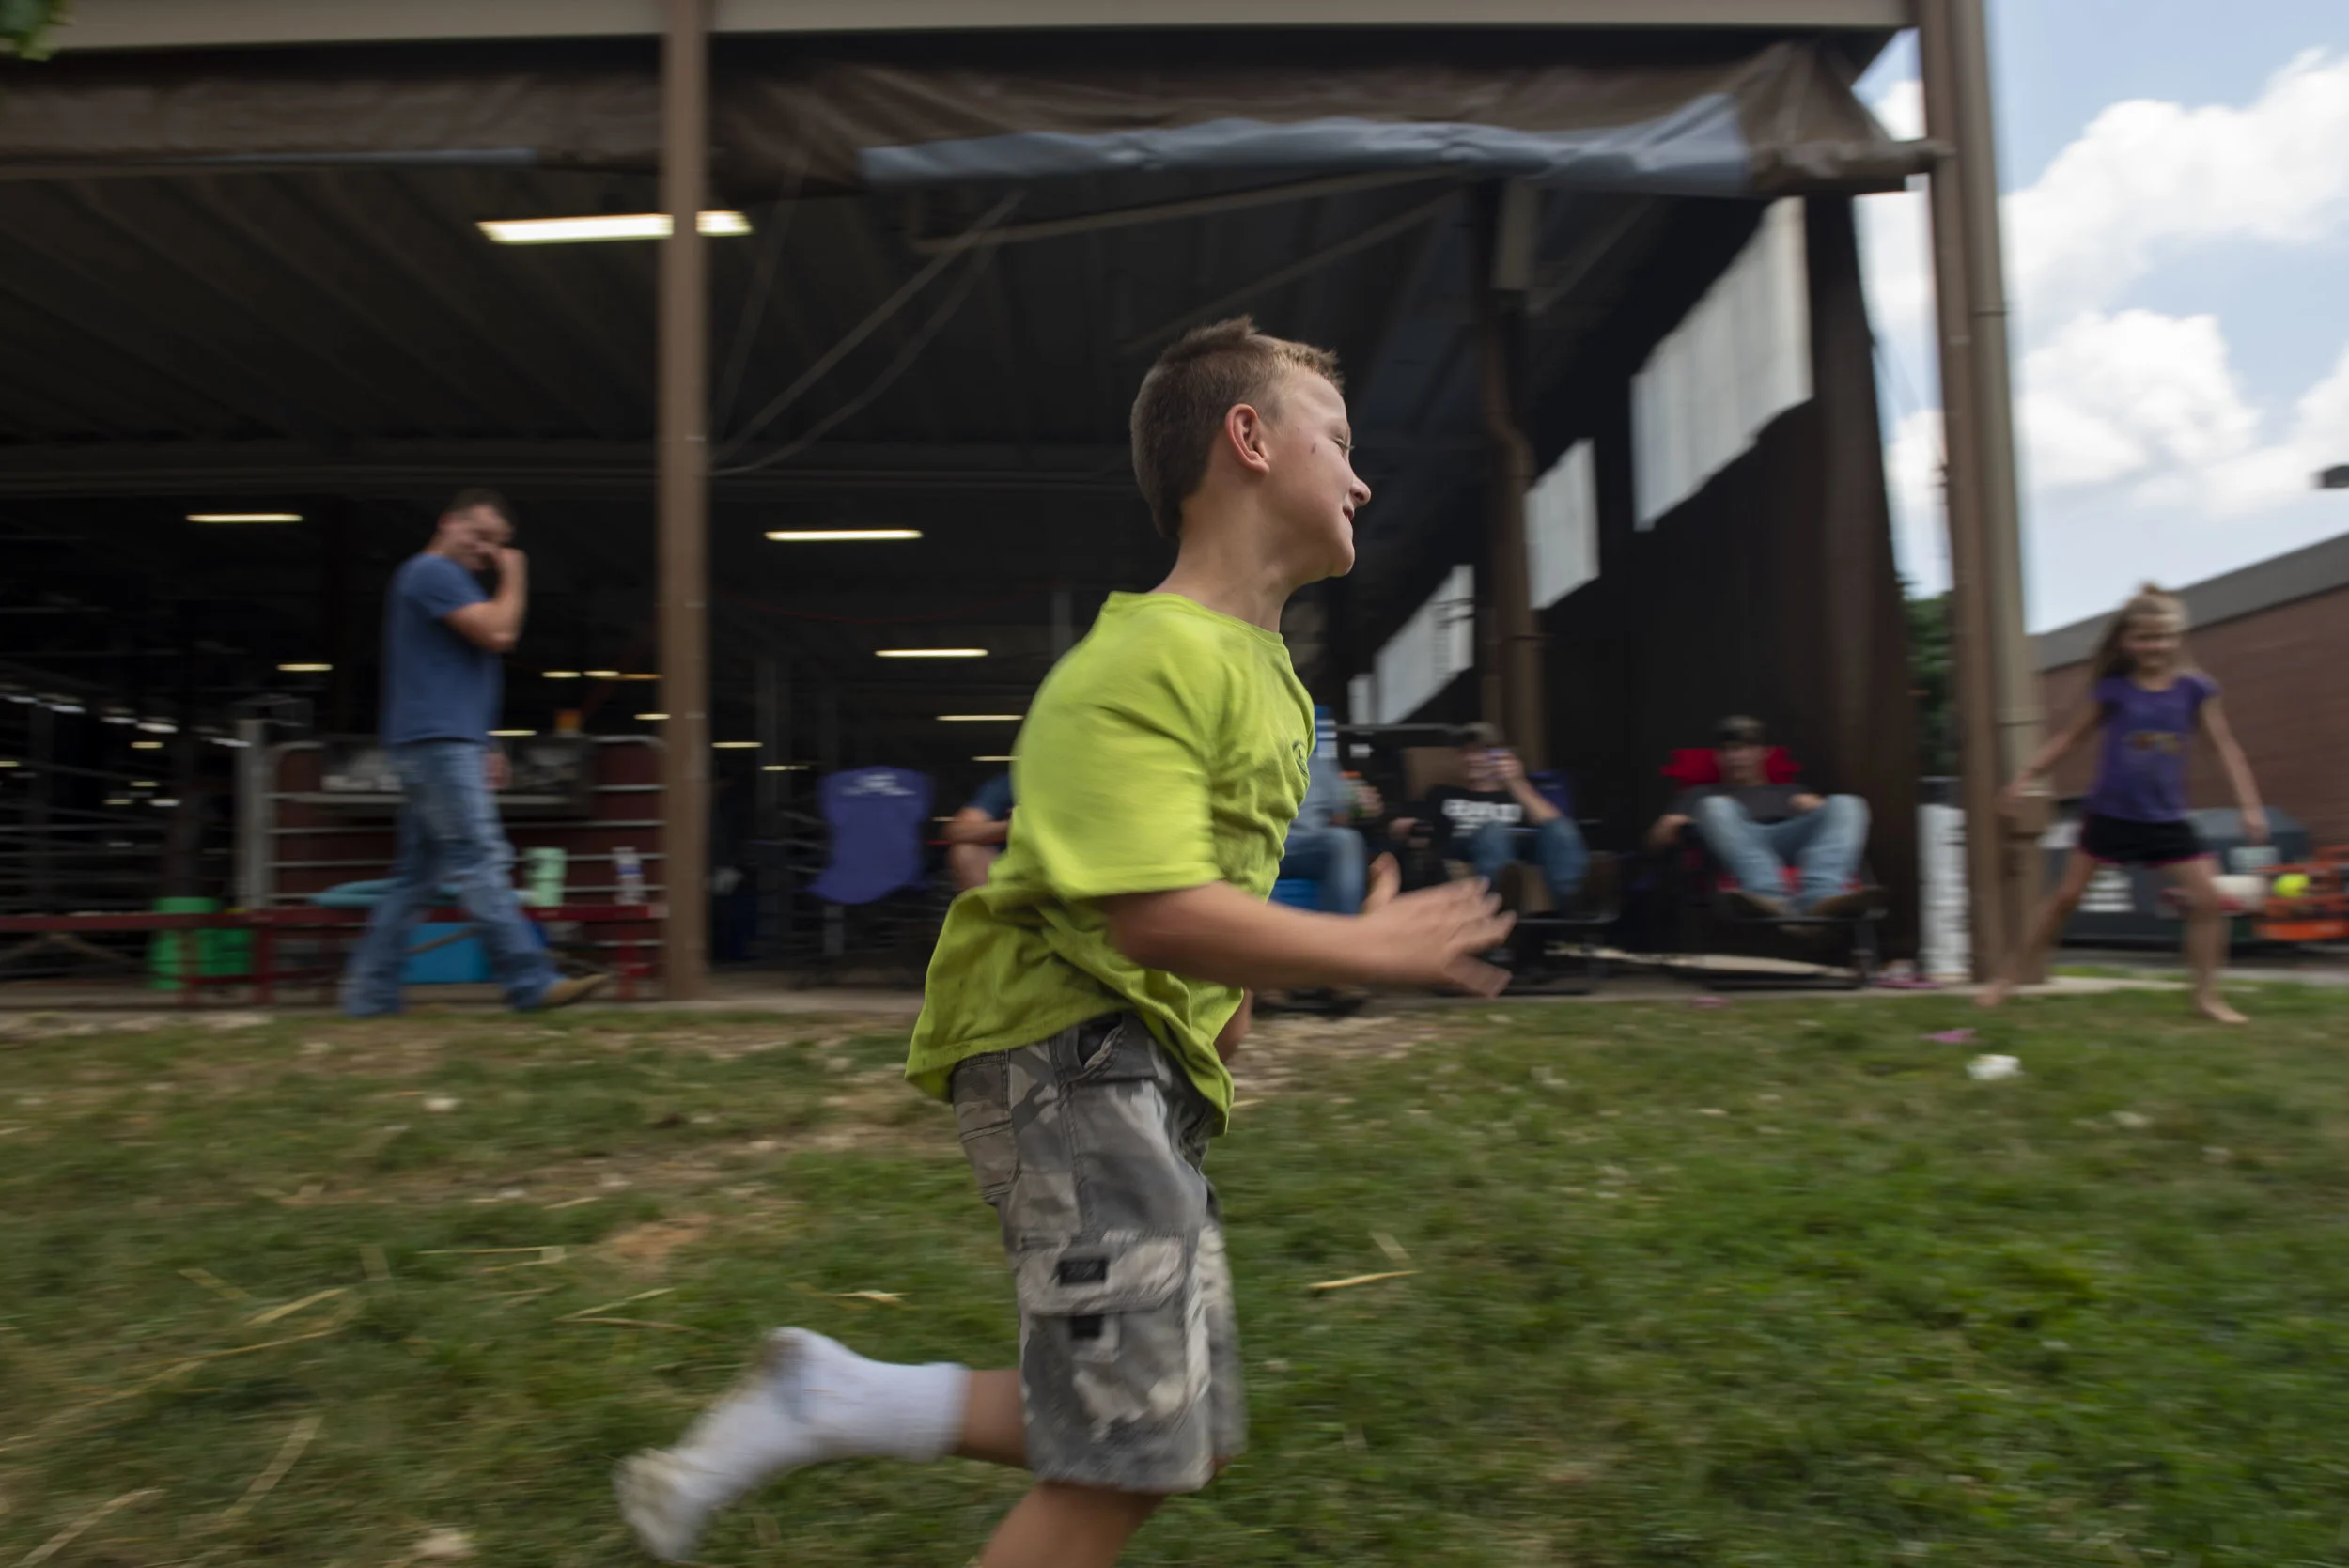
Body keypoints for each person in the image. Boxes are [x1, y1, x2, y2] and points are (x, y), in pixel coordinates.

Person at [614, 317, 1515, 1568]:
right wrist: (1367, 949)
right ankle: (828, 1399)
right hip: (1064, 1050)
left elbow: (1203, 897)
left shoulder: (1274, 686)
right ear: (1248, 440)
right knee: (1130, 1442)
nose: (1363, 480)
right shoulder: (1137, 662)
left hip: (1137, 1060)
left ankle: (832, 1398)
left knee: (1179, 1428)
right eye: (1340, 443)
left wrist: (1237, 1003)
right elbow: (1147, 909)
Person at [339, 490, 607, 1017]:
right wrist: (516, 572)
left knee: (415, 880)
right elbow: (500, 632)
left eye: (499, 543)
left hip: (438, 741)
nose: (488, 550)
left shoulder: (443, 581)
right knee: (481, 860)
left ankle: (368, 996)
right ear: (448, 522)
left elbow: (455, 670)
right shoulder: (431, 573)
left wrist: (484, 741)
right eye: (481, 536)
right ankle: (529, 982)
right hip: (438, 743)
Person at [1977, 583, 2266, 1022]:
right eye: (2144, 637)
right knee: (2065, 898)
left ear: (2179, 636)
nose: (2155, 646)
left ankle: (2207, 998)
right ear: (2126, 641)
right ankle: (2007, 979)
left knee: (2209, 902)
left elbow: (2225, 748)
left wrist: (2250, 806)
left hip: (2166, 818)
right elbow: (2069, 738)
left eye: (2164, 636)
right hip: (2110, 814)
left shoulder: (2196, 690)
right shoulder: (2114, 690)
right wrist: (2026, 776)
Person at [1647, 715, 1875, 919]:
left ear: (1764, 753)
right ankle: (1769, 897)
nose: (1736, 756)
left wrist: (1821, 808)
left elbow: (1835, 825)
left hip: (1790, 840)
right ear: (1717, 757)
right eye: (1727, 750)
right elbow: (1654, 845)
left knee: (1849, 803)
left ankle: (1821, 899)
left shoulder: (1790, 789)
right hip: (1736, 844)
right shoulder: (1700, 794)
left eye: (1745, 749)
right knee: (1714, 806)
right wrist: (1670, 825)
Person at [1391, 723, 1588, 907]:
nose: (1472, 759)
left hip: (1520, 846)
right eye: (1465, 752)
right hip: (1462, 845)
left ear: (1501, 756)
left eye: (1481, 751)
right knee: (1493, 831)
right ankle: (1497, 908)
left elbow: (1554, 824)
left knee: (1561, 828)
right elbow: (1408, 825)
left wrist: (1516, 782)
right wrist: (1404, 828)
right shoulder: (1442, 793)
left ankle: (1575, 914)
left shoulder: (1518, 791)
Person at [1277, 749, 1375, 913]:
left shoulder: (1321, 765)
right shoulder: (1252, 750)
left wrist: (1359, 804)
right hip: (1263, 841)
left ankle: (1341, 932)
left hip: (1306, 846)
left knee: (1346, 841)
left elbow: (1341, 816)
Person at [943, 772, 1015, 893]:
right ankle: (994, 910)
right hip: (1021, 866)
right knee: (966, 850)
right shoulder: (1013, 782)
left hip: (1055, 863)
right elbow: (957, 830)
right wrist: (1015, 825)